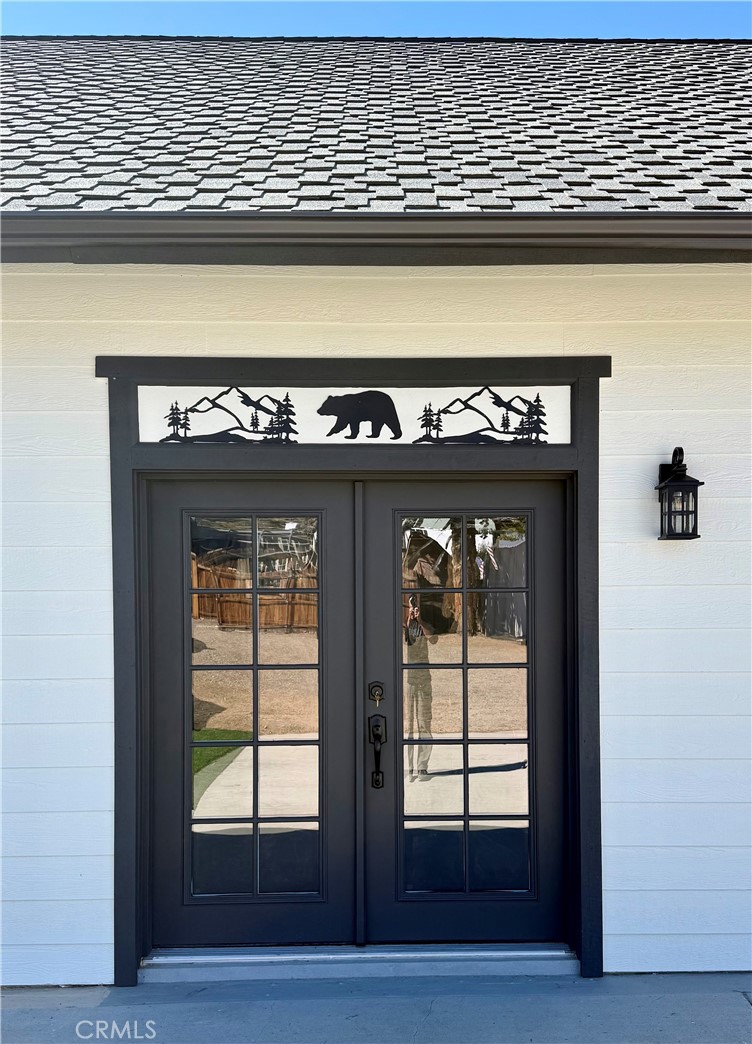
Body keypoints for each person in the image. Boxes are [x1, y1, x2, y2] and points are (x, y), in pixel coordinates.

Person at [404, 595, 438, 781]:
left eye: (416, 606)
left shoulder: (426, 621)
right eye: (412, 605)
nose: (414, 608)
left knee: (424, 723)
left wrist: (420, 619)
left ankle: (422, 767)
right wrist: (410, 619)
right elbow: (407, 640)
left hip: (424, 679)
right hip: (410, 680)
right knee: (409, 726)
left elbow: (432, 638)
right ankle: (410, 769)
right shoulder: (408, 623)